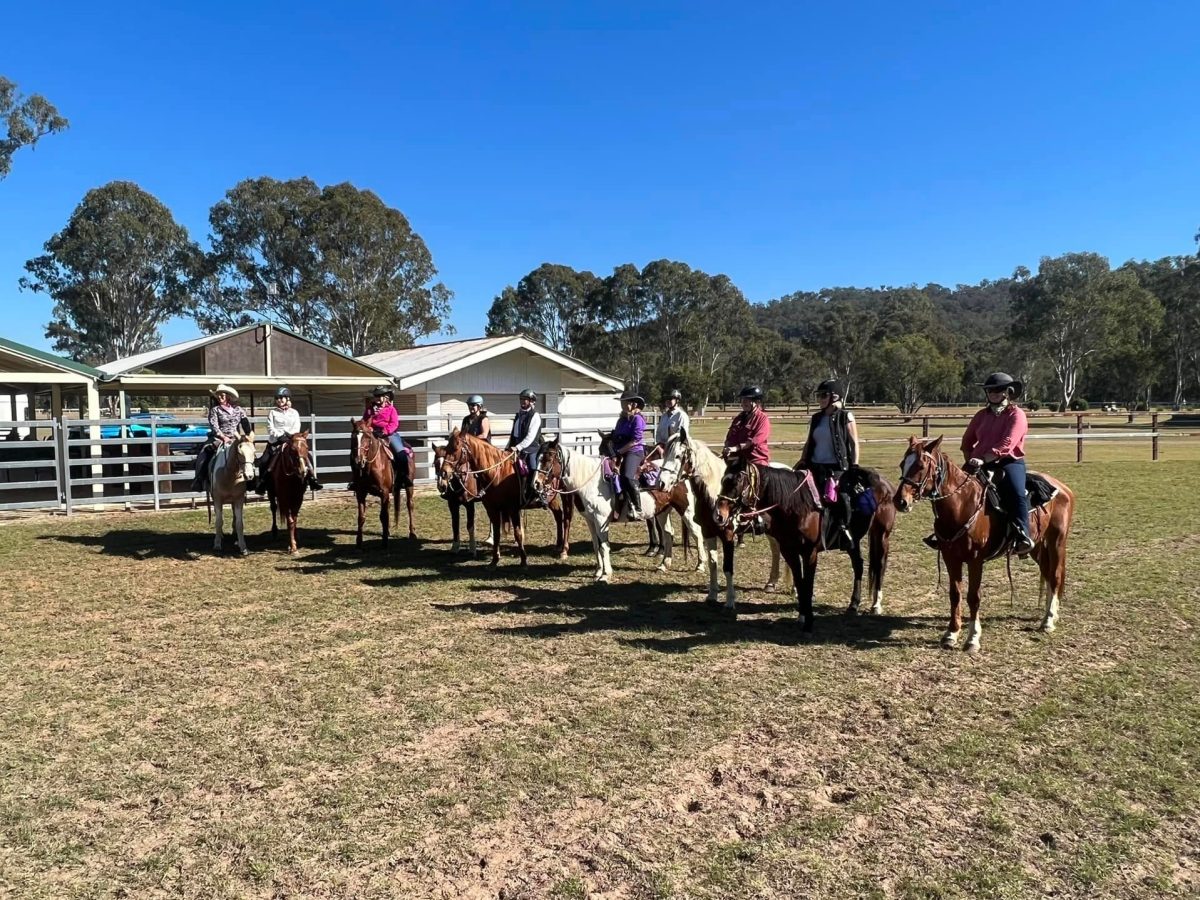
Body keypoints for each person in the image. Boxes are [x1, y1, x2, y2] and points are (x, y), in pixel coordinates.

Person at [960, 372, 1033, 554]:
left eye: (997, 389)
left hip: (1008, 462)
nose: (993, 393)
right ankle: (944, 533)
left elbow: (1008, 443)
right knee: (952, 489)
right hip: (978, 463)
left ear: (1008, 392)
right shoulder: (981, 415)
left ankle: (1022, 534)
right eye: (989, 390)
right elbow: (967, 441)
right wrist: (970, 458)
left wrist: (985, 458)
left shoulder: (1017, 415)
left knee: (1016, 493)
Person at [798, 380, 859, 548]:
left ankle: (844, 529)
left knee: (840, 497)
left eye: (823, 395)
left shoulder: (845, 416)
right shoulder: (816, 418)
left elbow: (854, 444)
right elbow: (809, 442)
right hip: (815, 466)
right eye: (818, 396)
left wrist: (854, 466)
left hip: (837, 468)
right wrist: (803, 460)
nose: (820, 399)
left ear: (834, 397)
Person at [256, 387, 322, 493]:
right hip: (276, 441)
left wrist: (290, 436)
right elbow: (270, 428)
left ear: (287, 399)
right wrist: (280, 435)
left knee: (307, 456)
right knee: (264, 461)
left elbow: (297, 427)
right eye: (277, 398)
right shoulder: (272, 412)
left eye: (282, 398)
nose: (279, 400)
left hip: (291, 440)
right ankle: (262, 483)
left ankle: (312, 479)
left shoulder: (294, 413)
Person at [192, 383, 251, 492]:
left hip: (236, 439)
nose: (220, 397)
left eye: (222, 395)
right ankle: (200, 479)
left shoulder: (238, 410)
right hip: (218, 438)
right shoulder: (215, 410)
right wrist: (223, 437)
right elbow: (214, 426)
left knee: (248, 454)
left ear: (228, 396)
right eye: (218, 395)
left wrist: (249, 435)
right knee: (205, 453)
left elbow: (246, 424)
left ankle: (251, 480)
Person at [610, 391, 647, 521]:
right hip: (620, 450)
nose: (622, 404)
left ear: (633, 404)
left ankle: (638, 508)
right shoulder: (621, 419)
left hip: (634, 451)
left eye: (624, 402)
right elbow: (616, 436)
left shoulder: (637, 419)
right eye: (622, 402)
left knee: (627, 476)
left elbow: (636, 440)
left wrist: (620, 451)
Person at [363, 385, 411, 473]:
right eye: (376, 396)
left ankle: (404, 477)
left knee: (401, 454)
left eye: (379, 396)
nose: (377, 398)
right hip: (372, 433)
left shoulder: (391, 409)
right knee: (359, 450)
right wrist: (370, 429)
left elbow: (394, 424)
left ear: (385, 397)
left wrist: (384, 431)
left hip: (389, 434)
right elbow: (365, 421)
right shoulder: (369, 410)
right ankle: (357, 479)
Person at [505, 388, 542, 503]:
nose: (522, 401)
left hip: (532, 449)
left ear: (532, 401)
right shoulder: (519, 416)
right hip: (518, 448)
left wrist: (518, 447)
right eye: (521, 399)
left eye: (525, 400)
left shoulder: (535, 416)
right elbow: (514, 434)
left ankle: (536, 493)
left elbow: (530, 437)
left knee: (532, 467)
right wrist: (509, 446)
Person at [722, 385, 771, 467]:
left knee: (761, 478)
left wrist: (737, 448)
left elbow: (756, 441)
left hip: (756, 459)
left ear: (757, 402)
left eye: (747, 400)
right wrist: (727, 447)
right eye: (742, 400)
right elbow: (731, 436)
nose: (743, 403)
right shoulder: (738, 418)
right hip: (738, 459)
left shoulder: (762, 419)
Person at [649, 388, 690, 461]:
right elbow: (658, 433)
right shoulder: (664, 416)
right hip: (661, 448)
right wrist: (659, 446)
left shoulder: (681, 416)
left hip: (676, 449)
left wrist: (668, 449)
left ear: (677, 400)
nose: (667, 401)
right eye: (666, 399)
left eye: (670, 399)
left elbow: (681, 436)